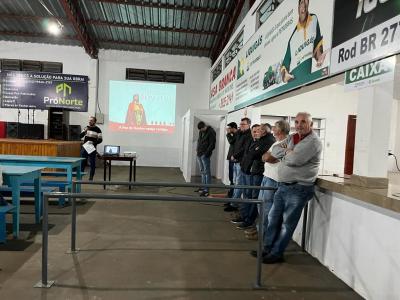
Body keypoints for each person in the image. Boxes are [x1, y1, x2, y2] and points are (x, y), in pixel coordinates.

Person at [258, 112, 322, 264]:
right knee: (273, 218)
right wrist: (288, 151)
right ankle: (266, 249)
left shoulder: (313, 142)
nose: (299, 125)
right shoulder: (293, 137)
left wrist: (287, 152)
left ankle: (276, 253)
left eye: (303, 122)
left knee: (287, 224)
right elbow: (275, 150)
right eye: (297, 121)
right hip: (283, 185)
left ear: (311, 124)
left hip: (299, 188)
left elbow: (295, 160)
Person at [247, 120, 290, 243]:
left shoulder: (285, 143)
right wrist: (267, 156)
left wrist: (268, 156)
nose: (272, 129)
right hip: (267, 178)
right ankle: (261, 231)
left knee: (267, 210)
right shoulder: (277, 143)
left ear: (280, 130)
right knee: (261, 206)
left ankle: (265, 237)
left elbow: (269, 158)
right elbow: (264, 156)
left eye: (275, 127)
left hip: (274, 180)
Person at [234, 123, 275, 231]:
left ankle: (249, 221)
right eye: (255, 130)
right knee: (248, 195)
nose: (257, 132)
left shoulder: (269, 140)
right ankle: (245, 217)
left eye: (259, 130)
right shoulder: (258, 140)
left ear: (264, 131)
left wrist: (254, 152)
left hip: (258, 173)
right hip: (250, 170)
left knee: (254, 198)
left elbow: (255, 154)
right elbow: (250, 153)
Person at [280, 0, 327, 84]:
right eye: (301, 3)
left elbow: (317, 43)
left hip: (308, 80)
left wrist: (320, 57)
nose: (304, 6)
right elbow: (285, 64)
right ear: (298, 8)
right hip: (293, 82)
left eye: (306, 3)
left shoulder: (314, 19)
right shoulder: (292, 38)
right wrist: (284, 76)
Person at [224, 117, 252, 212]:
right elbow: (233, 144)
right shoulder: (239, 133)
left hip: (240, 162)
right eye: (240, 124)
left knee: (238, 183)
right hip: (235, 161)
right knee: (235, 182)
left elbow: (244, 149)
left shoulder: (249, 135)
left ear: (249, 125)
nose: (241, 126)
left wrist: (235, 155)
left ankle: (234, 204)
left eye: (243, 124)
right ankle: (233, 200)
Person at [196, 121, 216, 197]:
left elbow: (212, 144)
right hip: (199, 154)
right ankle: (203, 187)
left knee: (207, 172)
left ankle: (206, 190)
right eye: (200, 130)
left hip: (205, 155)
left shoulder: (211, 132)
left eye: (201, 129)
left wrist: (206, 154)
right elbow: (199, 141)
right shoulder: (201, 132)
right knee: (202, 171)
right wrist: (197, 149)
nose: (200, 131)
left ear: (204, 127)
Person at [80, 116, 103, 180]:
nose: (89, 121)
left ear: (94, 122)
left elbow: (100, 140)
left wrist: (93, 142)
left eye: (91, 120)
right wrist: (85, 131)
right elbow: (80, 136)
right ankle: (80, 177)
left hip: (92, 148)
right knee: (82, 162)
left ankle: (91, 177)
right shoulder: (86, 128)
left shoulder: (98, 130)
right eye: (89, 120)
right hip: (85, 147)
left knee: (92, 163)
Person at [226, 122, 238, 198]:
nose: (228, 129)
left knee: (233, 178)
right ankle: (231, 193)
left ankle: (232, 195)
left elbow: (231, 141)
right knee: (231, 177)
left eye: (230, 128)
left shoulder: (237, 135)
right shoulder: (234, 135)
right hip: (231, 158)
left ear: (233, 128)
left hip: (235, 159)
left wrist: (228, 134)